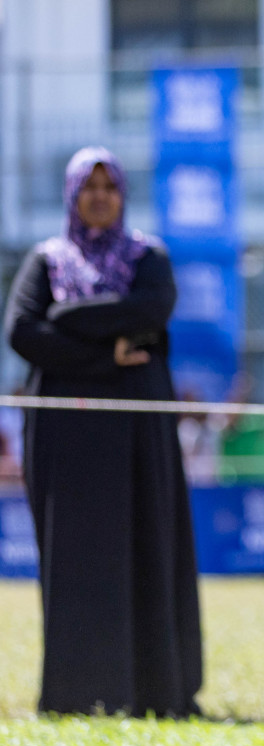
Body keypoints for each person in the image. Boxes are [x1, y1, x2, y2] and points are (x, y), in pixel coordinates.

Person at [3, 147, 203, 717]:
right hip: (65, 435)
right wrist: (106, 355)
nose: (99, 197)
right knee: (75, 556)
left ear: (123, 194)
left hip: (138, 430)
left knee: (147, 543)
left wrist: (68, 321)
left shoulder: (149, 256)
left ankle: (154, 690)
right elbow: (22, 331)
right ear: (71, 194)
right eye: (88, 187)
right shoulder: (47, 260)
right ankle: (74, 694)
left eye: (109, 186)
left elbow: (152, 309)